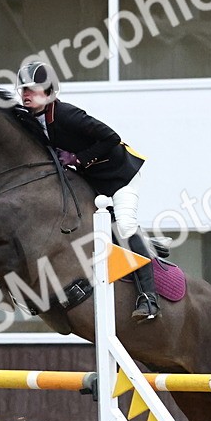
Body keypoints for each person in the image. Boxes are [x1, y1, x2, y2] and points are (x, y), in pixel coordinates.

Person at [15, 61, 159, 322]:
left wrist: (78, 158)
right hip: (91, 180)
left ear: (49, 92)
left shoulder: (67, 114)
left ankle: (148, 298)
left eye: (32, 89)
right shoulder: (30, 118)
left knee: (124, 227)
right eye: (23, 89)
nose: (26, 94)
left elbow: (111, 137)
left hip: (120, 175)